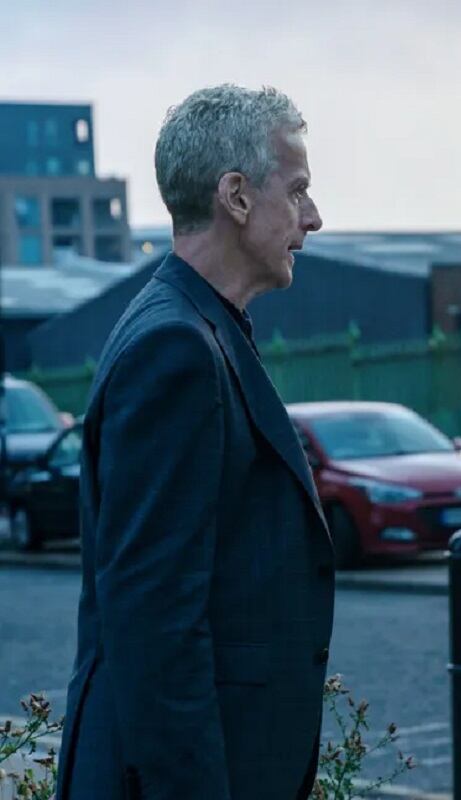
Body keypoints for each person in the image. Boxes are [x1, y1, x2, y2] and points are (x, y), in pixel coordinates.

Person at [56, 85, 334, 799]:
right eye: (297, 190)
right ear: (236, 198)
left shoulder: (193, 326)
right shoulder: (176, 349)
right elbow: (157, 625)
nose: (314, 217)